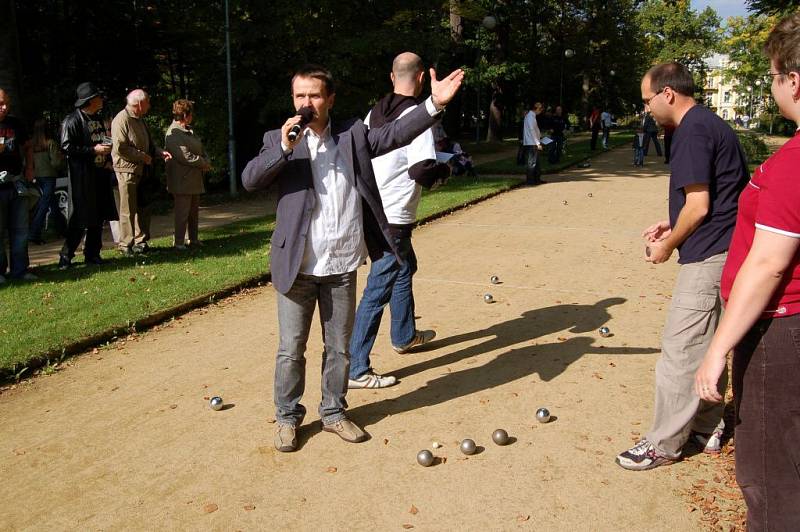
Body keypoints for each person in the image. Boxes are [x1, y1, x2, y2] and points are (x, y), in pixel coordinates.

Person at [241, 64, 463, 452]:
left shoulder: (352, 135)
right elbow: (250, 179)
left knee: (340, 348)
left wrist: (432, 105)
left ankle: (333, 412)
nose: (305, 103)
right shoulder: (278, 140)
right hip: (297, 266)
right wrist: (283, 147)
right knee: (291, 348)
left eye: (313, 96)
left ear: (329, 100)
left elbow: (396, 134)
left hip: (341, 263)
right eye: (299, 96)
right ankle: (287, 417)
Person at [615, 61, 749, 471]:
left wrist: (669, 244)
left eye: (646, 100)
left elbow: (701, 205)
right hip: (725, 249)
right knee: (710, 344)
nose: (647, 109)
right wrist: (674, 221)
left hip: (708, 257)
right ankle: (705, 426)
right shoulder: (707, 124)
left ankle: (663, 443)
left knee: (681, 349)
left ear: (667, 93)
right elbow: (718, 199)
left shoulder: (691, 132)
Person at [694, 13, 800, 528]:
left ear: (794, 81)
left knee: (769, 475)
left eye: (775, 76)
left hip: (781, 331)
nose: (775, 85)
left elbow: (767, 264)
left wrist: (716, 353)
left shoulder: (792, 165)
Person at [347, 53, 450, 390]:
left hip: (371, 209)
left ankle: (404, 335)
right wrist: (446, 170)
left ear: (393, 77)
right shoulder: (418, 116)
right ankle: (356, 367)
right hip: (394, 216)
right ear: (421, 78)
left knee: (405, 267)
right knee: (379, 286)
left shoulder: (371, 112)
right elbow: (420, 169)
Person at [58, 82, 118, 269]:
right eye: (98, 97)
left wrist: (107, 158)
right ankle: (66, 256)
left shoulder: (98, 119)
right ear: (90, 100)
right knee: (81, 217)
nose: (102, 100)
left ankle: (92, 254)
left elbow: (102, 141)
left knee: (98, 215)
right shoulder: (72, 121)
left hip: (100, 173)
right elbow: (66, 147)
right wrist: (93, 150)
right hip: (83, 177)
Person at [111, 89, 171, 256]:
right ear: (139, 104)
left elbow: (150, 144)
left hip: (142, 170)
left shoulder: (140, 120)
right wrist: (142, 157)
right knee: (127, 209)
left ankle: (141, 242)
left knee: (143, 207)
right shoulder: (121, 120)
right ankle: (125, 245)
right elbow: (120, 147)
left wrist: (159, 152)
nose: (149, 105)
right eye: (148, 102)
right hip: (127, 171)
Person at [0, 88, 36, 282]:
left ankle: (20, 270)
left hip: (16, 183)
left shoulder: (15, 124)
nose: (4, 108)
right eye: (0, 104)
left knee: (20, 229)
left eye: (6, 103)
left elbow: (28, 145)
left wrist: (29, 168)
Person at [165, 99, 210, 250]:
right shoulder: (173, 133)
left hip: (194, 179)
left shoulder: (189, 130)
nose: (193, 116)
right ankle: (178, 242)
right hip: (181, 181)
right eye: (191, 113)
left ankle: (193, 239)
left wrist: (206, 160)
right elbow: (184, 156)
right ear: (185, 114)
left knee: (193, 213)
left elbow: (200, 149)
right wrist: (204, 163)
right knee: (182, 213)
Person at [28, 118, 66, 244]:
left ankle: (63, 229)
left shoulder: (31, 145)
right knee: (45, 204)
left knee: (52, 203)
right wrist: (61, 161)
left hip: (36, 176)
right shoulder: (50, 143)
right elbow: (55, 162)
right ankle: (34, 233)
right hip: (49, 176)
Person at [522, 101, 544, 185]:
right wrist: (538, 143)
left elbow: (534, 130)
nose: (541, 111)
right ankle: (530, 181)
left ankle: (536, 179)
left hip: (532, 142)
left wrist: (539, 137)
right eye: (540, 109)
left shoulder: (531, 116)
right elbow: (532, 130)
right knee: (532, 163)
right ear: (537, 109)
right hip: (532, 143)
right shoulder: (530, 117)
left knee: (536, 162)